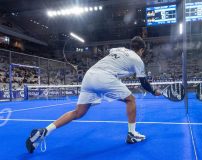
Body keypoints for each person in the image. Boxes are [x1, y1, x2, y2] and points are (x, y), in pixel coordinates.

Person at [25, 36, 161, 153]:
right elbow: (144, 83)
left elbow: (113, 59)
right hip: (104, 77)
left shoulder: (118, 49)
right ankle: (132, 134)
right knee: (131, 100)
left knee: (78, 112)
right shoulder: (138, 60)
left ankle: (44, 131)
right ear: (141, 50)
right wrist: (154, 91)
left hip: (89, 75)